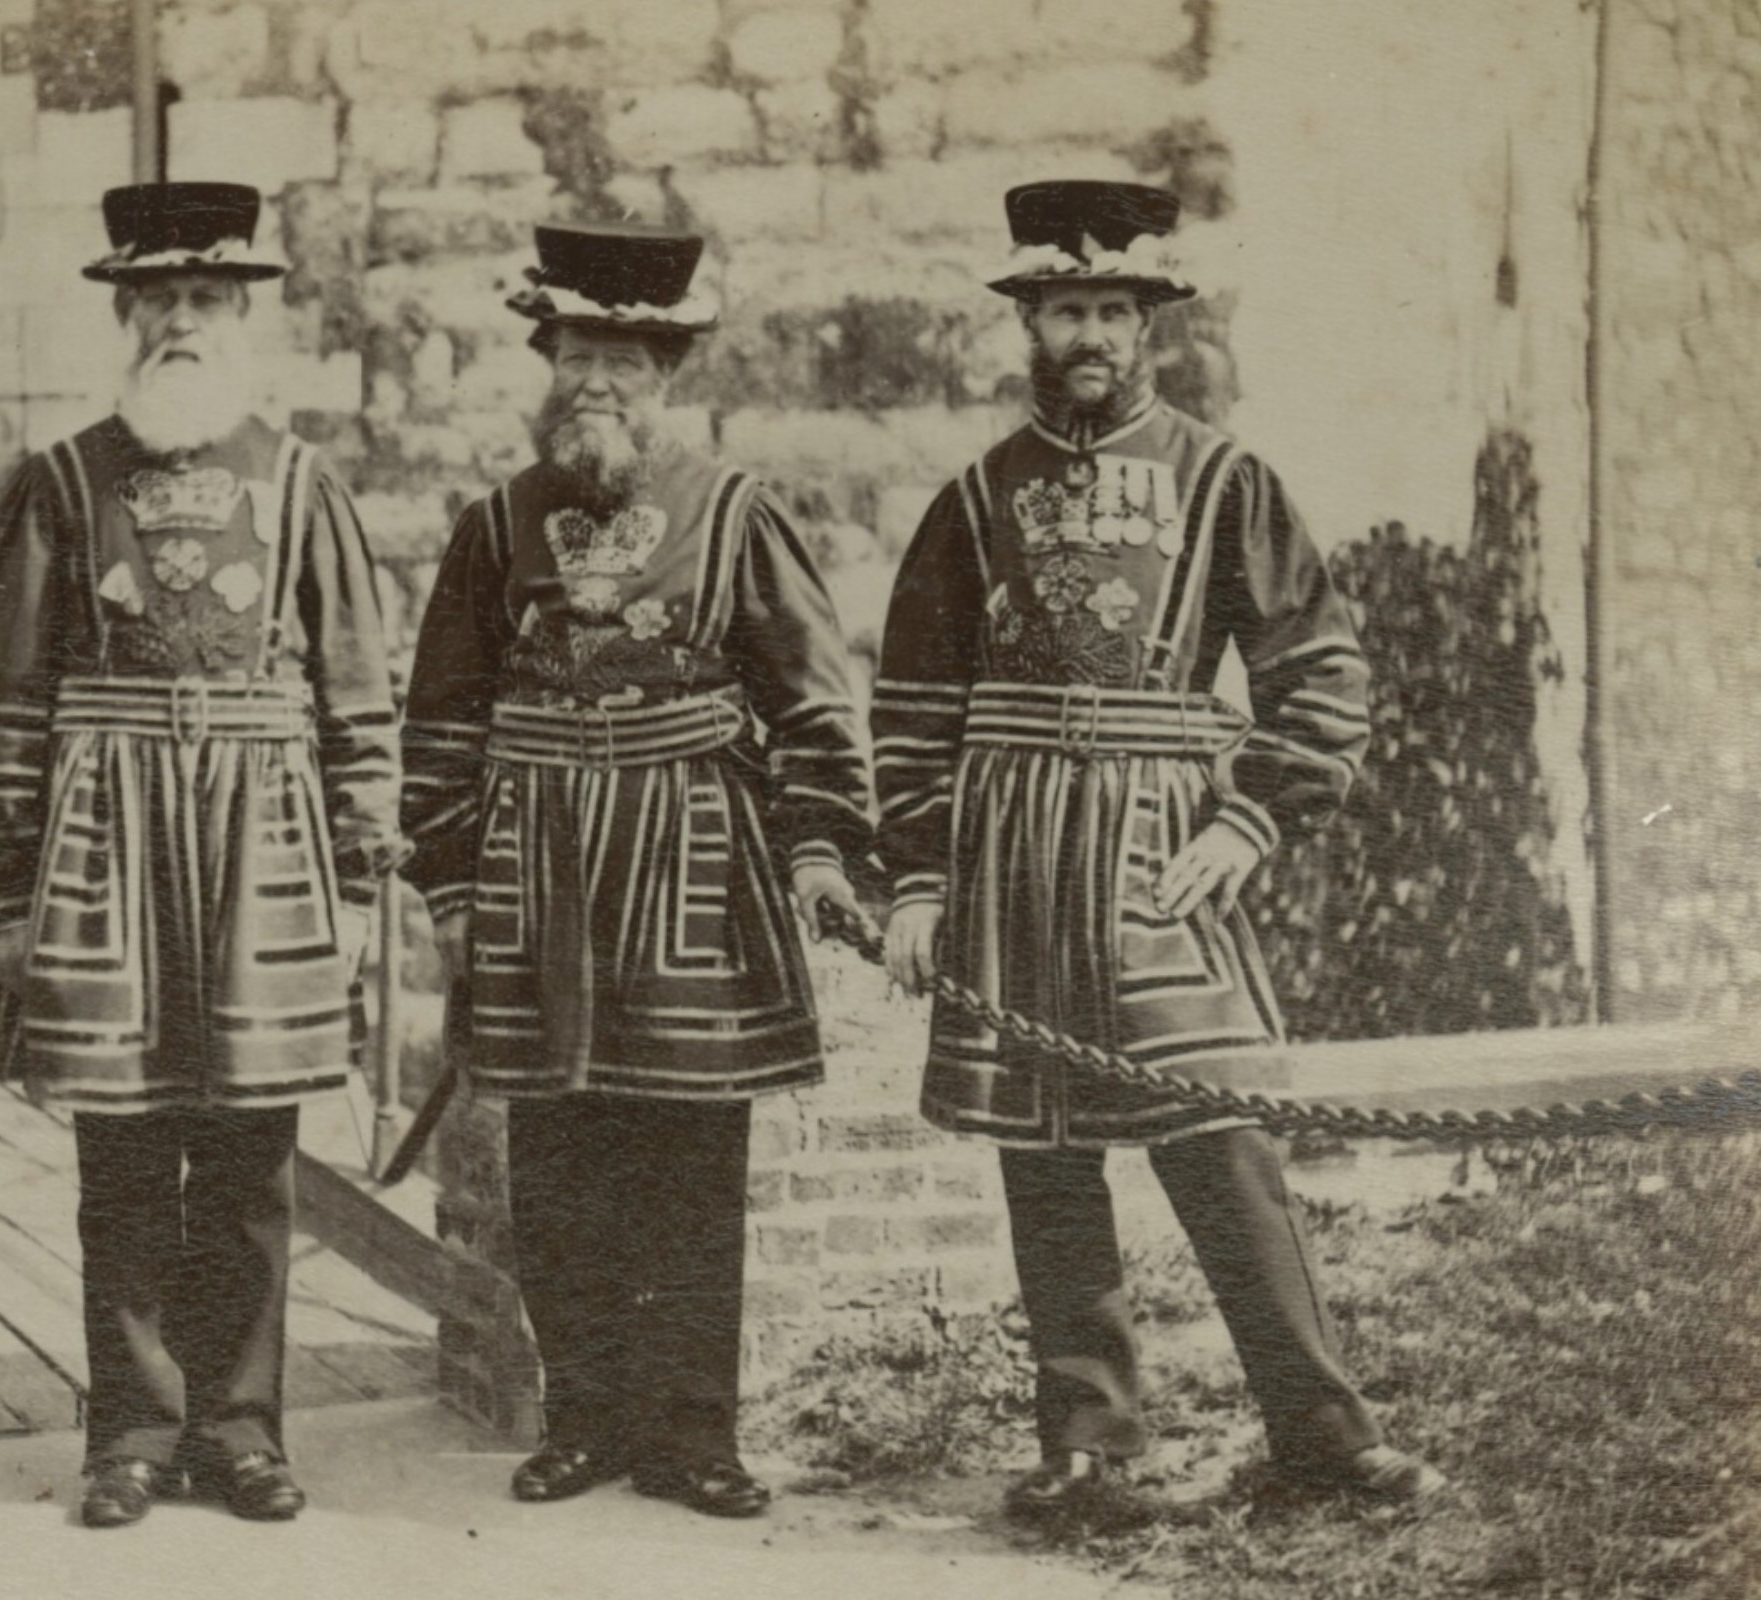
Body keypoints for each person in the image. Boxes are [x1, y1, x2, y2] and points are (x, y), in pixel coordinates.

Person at [870, 180, 1446, 1513]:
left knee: (1217, 1129)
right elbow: (909, 704)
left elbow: (1316, 669)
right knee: (1047, 1143)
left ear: (1150, 328)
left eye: (1113, 312)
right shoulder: (971, 499)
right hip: (1010, 855)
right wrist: (913, 876)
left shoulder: (1223, 479)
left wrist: (1247, 819)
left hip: (1156, 849)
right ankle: (1086, 1447)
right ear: (1029, 324)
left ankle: (1320, 1432)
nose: (1090, 335)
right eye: (1065, 309)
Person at [0, 181, 402, 1530]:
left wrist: (362, 880)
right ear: (125, 317)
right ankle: (132, 1428)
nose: (182, 323)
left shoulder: (303, 484)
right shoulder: (63, 482)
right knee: (124, 1148)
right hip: (104, 853)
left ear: (244, 317)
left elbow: (359, 698)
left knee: (254, 1150)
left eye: (208, 301)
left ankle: (243, 1426)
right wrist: (4, 892)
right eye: (159, 302)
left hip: (265, 844)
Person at [400, 221, 872, 1519]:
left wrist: (822, 846)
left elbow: (816, 703)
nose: (593, 380)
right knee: (556, 1158)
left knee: (688, 1159)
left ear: (665, 371)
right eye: (574, 353)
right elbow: (440, 717)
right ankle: (585, 1420)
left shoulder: (733, 511)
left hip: (696, 862)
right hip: (538, 873)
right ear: (543, 360)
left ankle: (693, 1435)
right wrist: (449, 883)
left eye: (623, 356)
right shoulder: (496, 526)